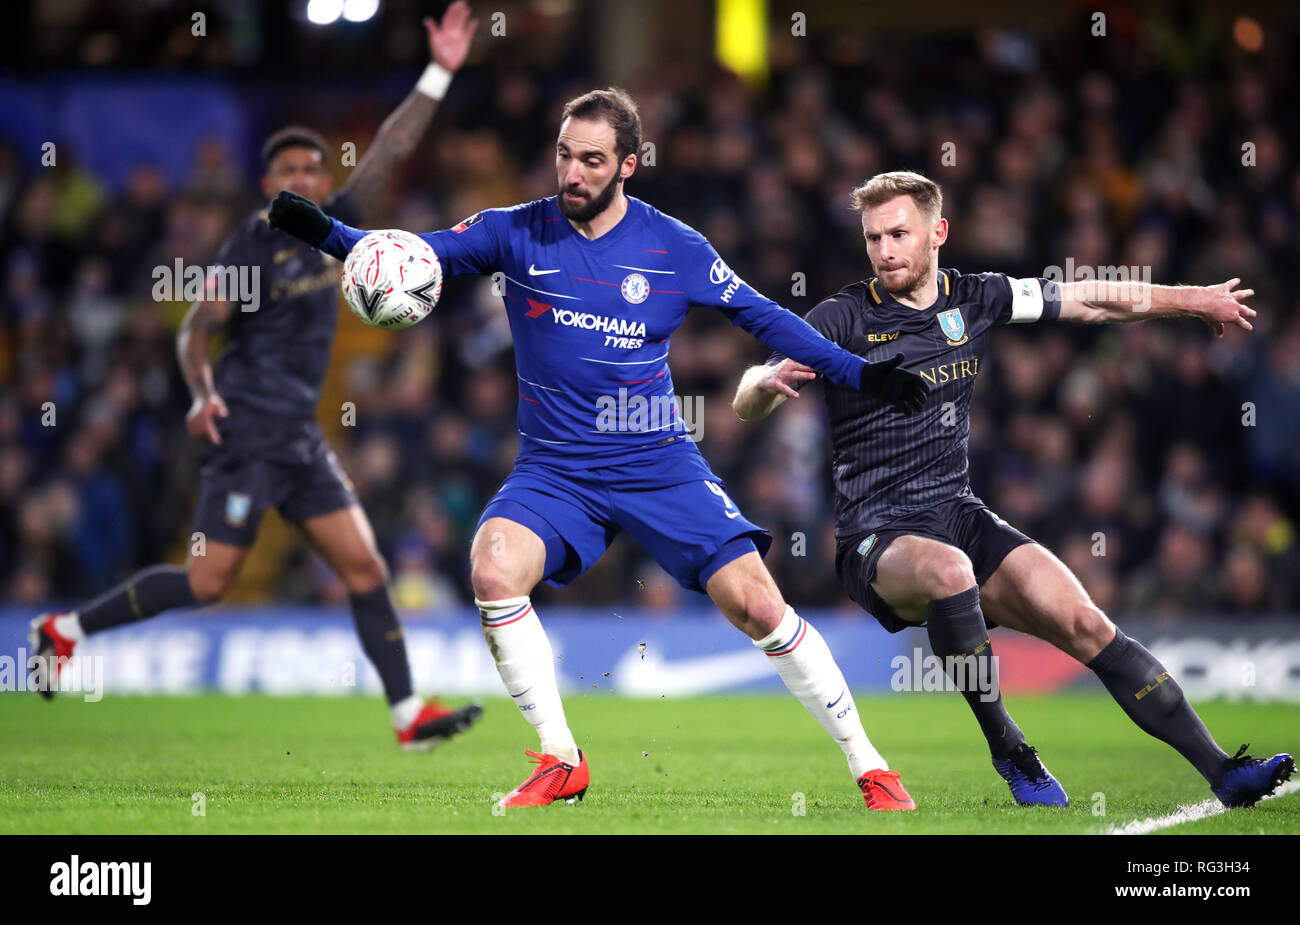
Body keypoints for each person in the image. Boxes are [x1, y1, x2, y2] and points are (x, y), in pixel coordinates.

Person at [267, 87, 930, 809]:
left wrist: (861, 374)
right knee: (493, 572)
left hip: (656, 462)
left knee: (758, 607)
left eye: (590, 160)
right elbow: (412, 257)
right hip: (556, 471)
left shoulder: (674, 247)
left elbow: (765, 318)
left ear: (628, 165)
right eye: (563, 155)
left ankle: (871, 765)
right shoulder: (514, 231)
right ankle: (560, 758)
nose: (572, 173)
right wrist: (325, 232)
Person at [732, 170, 1293, 808]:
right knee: (947, 571)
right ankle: (1011, 750)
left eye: (898, 234)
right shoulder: (841, 316)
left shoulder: (979, 296)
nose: (885, 251)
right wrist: (762, 386)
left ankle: (1224, 772)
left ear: (937, 233)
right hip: (876, 536)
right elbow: (750, 395)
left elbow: (1092, 299)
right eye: (872, 238)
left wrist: (1193, 299)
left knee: (1085, 621)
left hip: (959, 513)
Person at [30, 3, 485, 751]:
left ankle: (409, 716)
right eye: (290, 170)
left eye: (315, 168)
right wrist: (205, 394)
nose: (305, 178)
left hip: (297, 435)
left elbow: (394, 147)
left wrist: (439, 70)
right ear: (269, 181)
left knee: (366, 566)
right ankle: (64, 627)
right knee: (208, 582)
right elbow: (194, 329)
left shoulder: (334, 228)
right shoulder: (250, 247)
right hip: (246, 430)